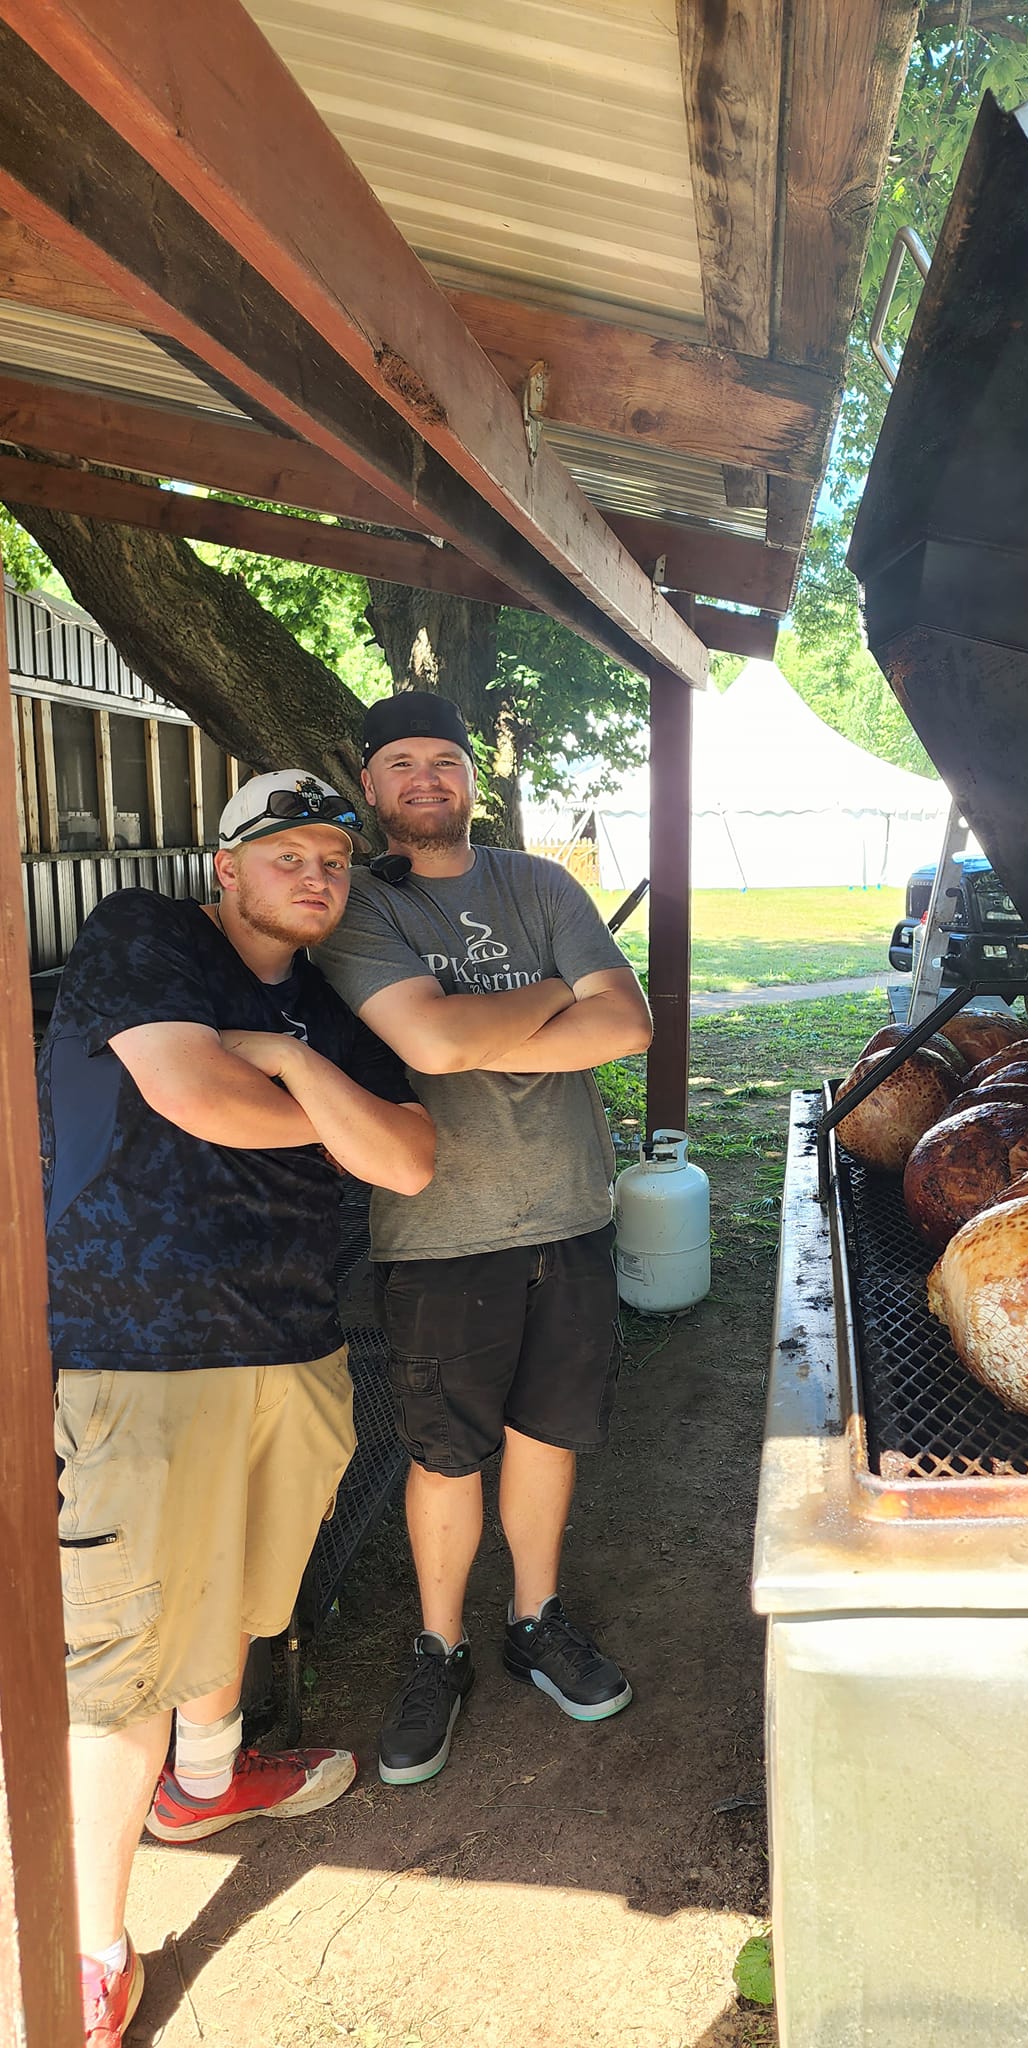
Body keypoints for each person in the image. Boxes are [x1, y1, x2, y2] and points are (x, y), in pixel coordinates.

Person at [43, 771, 437, 2048]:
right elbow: (190, 1092)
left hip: (297, 1343)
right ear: (226, 864)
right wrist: (322, 1110)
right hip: (142, 1347)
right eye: (286, 853)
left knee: (245, 1594)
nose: (316, 875)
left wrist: (289, 1058)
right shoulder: (144, 932)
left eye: (333, 857)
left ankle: (205, 1783)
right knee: (125, 1653)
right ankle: (90, 1951)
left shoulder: (327, 1011)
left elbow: (408, 1158)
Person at [312, 692, 652, 1788]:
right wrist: (551, 995)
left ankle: (535, 1620)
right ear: (371, 782)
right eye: (401, 762)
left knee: (549, 1433)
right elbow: (427, 1041)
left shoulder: (541, 883)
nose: (426, 778)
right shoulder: (358, 904)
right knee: (444, 1452)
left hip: (571, 1209)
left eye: (444, 760)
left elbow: (627, 1021)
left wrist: (473, 1031)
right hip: (440, 1228)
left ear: (471, 777)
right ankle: (439, 1646)